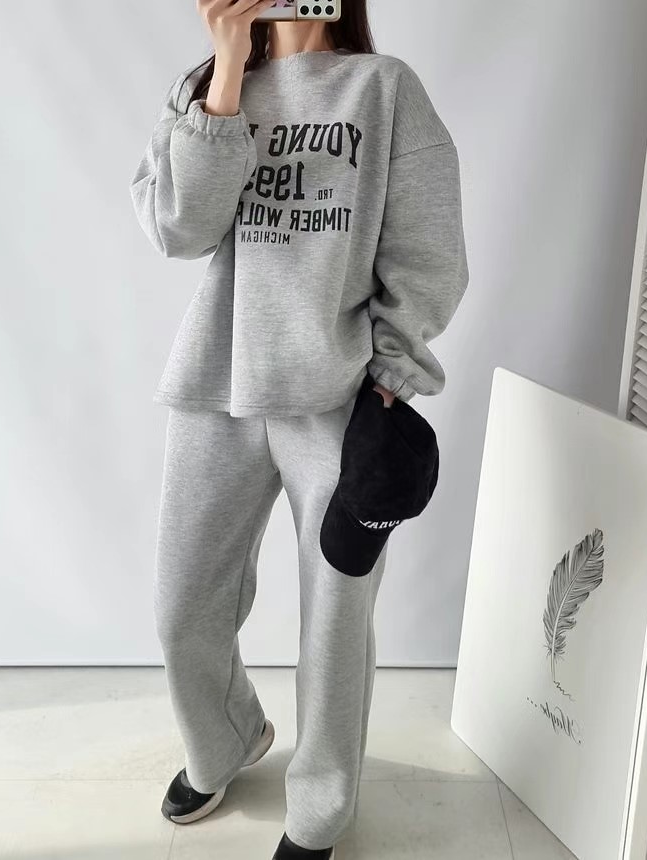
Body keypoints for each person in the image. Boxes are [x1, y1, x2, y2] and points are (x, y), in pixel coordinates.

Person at [129, 1, 469, 857]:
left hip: (339, 398)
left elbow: (430, 252)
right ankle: (225, 740)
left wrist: (390, 375)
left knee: (336, 624)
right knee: (182, 606)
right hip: (216, 386)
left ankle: (319, 812)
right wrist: (227, 67)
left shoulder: (382, 89)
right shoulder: (205, 87)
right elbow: (178, 228)